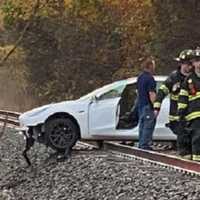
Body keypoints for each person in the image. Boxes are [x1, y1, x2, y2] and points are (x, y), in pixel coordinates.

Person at [153, 49, 194, 155]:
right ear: (180, 64)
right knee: (183, 140)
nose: (187, 67)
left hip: (192, 115)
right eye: (184, 63)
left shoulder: (195, 78)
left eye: (189, 64)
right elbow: (162, 92)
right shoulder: (174, 77)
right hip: (177, 117)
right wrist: (156, 108)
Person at [178, 47, 200, 161]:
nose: (199, 63)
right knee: (197, 136)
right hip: (195, 115)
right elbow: (183, 96)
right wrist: (181, 111)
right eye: (197, 61)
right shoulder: (189, 80)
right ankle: (197, 162)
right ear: (194, 63)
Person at [137, 56, 156, 150]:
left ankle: (141, 143)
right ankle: (145, 145)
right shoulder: (150, 78)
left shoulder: (140, 77)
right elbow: (151, 93)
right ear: (150, 66)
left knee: (142, 125)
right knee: (148, 126)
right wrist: (155, 106)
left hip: (141, 105)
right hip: (148, 106)